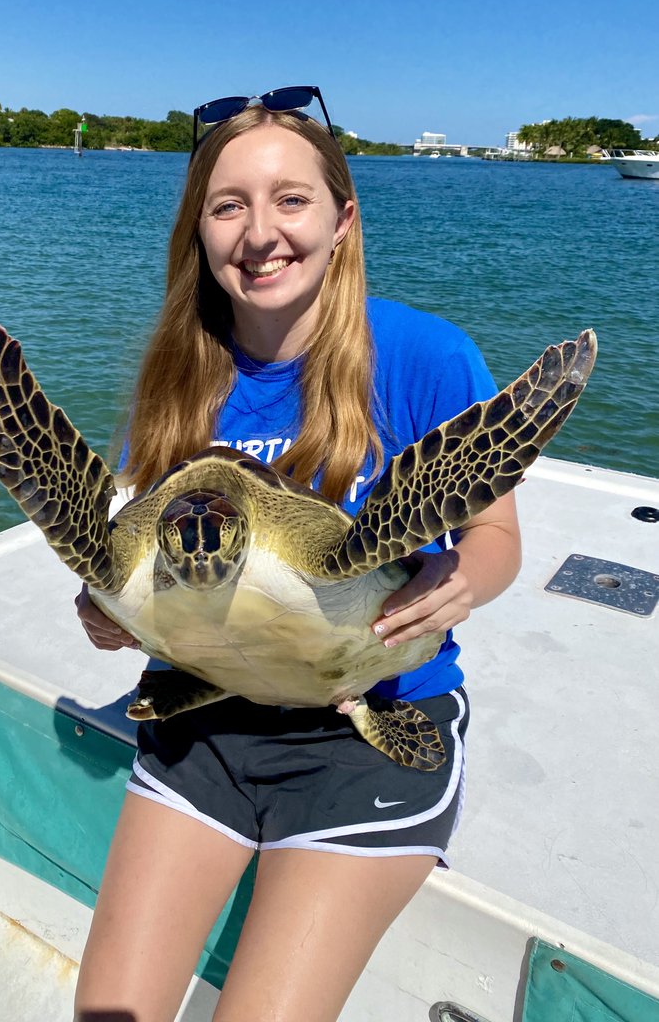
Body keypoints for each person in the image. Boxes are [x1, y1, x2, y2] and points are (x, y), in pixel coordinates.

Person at [73, 88, 521, 1022]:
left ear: (342, 219)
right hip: (206, 712)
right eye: (229, 204)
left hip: (370, 718)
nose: (259, 231)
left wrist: (460, 579)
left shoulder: (419, 354)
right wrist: (106, 604)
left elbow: (495, 536)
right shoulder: (176, 376)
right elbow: (120, 548)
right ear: (199, 230)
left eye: (290, 199)